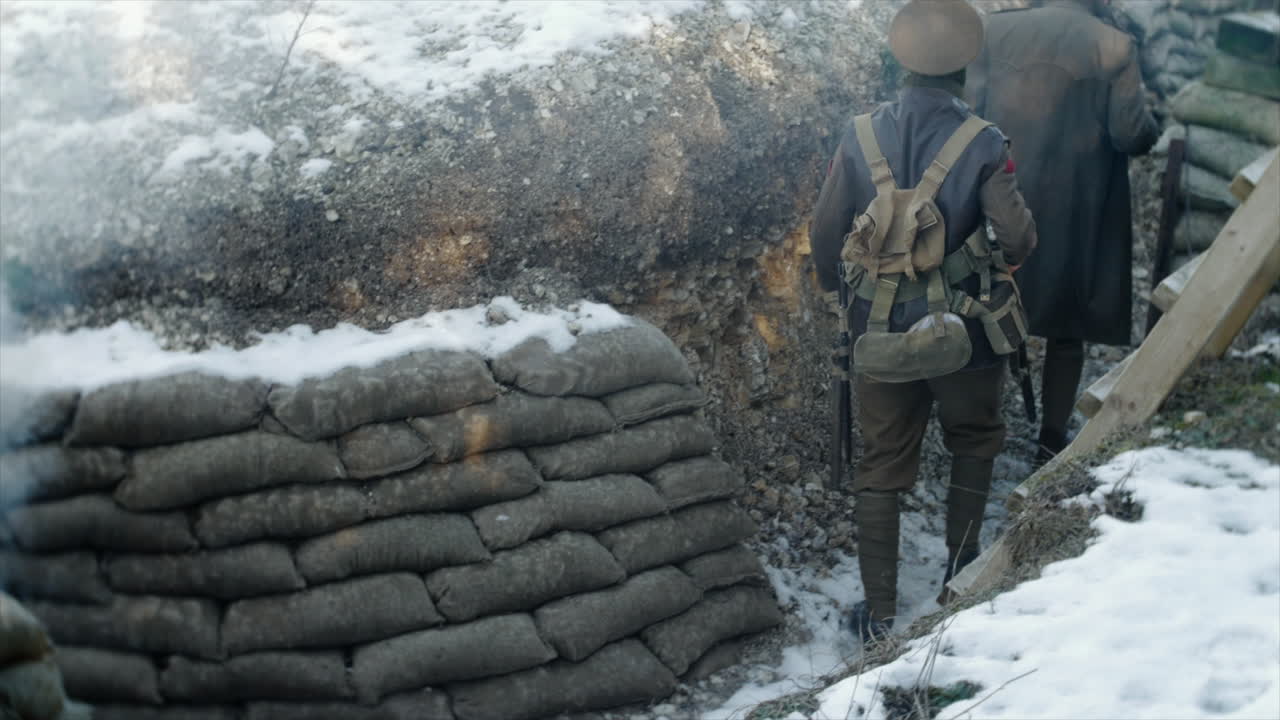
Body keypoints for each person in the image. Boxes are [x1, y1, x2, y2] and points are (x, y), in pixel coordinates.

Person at [810, 0, 1037, 641]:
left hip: (876, 330)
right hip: (963, 334)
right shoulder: (986, 141)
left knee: (880, 464)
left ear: (899, 62)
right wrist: (999, 266)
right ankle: (959, 582)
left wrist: (841, 293)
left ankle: (877, 613)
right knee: (974, 439)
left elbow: (826, 235)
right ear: (966, 66)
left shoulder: (858, 135)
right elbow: (1017, 239)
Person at [966, 0, 1159, 466]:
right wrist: (1154, 125)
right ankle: (1051, 438)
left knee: (988, 314)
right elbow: (1130, 134)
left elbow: (967, 117)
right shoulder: (1114, 45)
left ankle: (978, 435)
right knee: (1067, 329)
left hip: (1000, 199)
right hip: (1079, 207)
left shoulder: (993, 32)